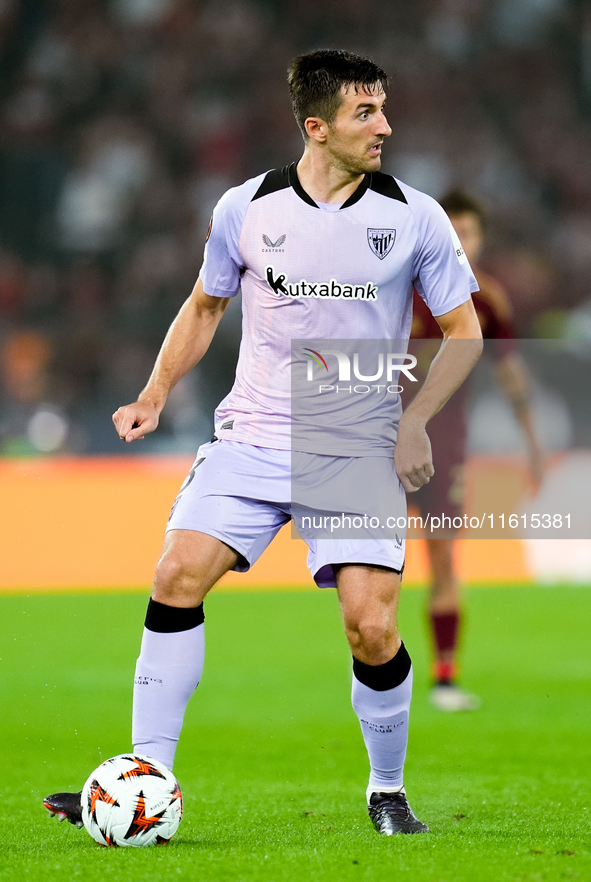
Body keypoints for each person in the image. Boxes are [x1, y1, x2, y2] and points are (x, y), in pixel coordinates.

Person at [43, 50, 482, 836]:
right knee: (176, 574)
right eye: (364, 113)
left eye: (382, 108)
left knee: (371, 627)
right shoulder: (245, 208)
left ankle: (386, 788)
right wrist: (154, 392)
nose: (383, 125)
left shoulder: (414, 216)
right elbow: (205, 305)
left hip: (356, 444)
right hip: (252, 433)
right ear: (315, 127)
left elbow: (464, 333)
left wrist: (415, 419)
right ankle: (146, 778)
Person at [408, 189, 543, 712]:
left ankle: (444, 678)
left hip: (447, 451)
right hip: (381, 446)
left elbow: (512, 375)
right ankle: (380, 675)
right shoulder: (399, 287)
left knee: (443, 559)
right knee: (378, 565)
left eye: (469, 233)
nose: (461, 242)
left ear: (481, 239)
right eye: (452, 232)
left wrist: (532, 441)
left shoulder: (487, 298)